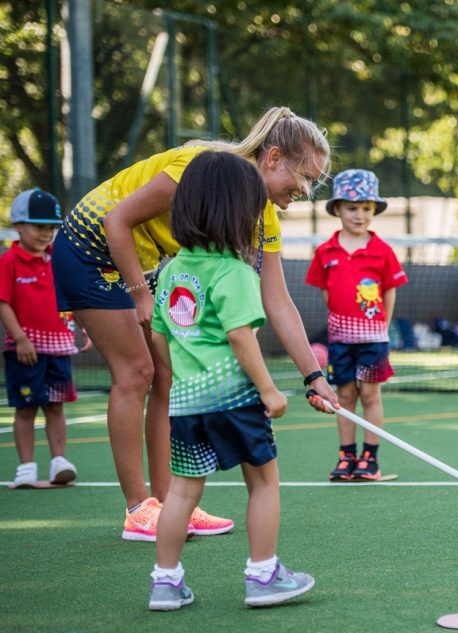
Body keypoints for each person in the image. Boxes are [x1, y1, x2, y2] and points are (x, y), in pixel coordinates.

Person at [51, 107, 339, 541]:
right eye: (304, 176)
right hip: (89, 247)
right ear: (274, 157)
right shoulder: (197, 168)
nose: (306, 189)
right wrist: (140, 294)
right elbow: (117, 220)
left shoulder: (263, 212)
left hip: (137, 261)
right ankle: (137, 508)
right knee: (137, 372)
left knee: (167, 376)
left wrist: (314, 376)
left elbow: (276, 299)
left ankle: (169, 505)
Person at [146, 151, 313, 610]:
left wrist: (185, 375)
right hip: (235, 399)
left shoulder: (172, 271)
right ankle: (263, 575)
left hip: (184, 402)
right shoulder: (236, 272)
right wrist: (267, 389)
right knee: (263, 483)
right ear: (239, 213)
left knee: (180, 491)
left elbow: (159, 341)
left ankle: (165, 580)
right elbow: (241, 335)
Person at [305, 169, 408, 482]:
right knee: (344, 397)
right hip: (340, 341)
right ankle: (346, 455)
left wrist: (382, 326)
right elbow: (327, 293)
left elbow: (390, 290)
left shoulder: (383, 251)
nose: (359, 215)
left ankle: (370, 459)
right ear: (337, 209)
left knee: (370, 397)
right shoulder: (325, 252)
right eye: (352, 208)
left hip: (374, 340)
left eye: (366, 208)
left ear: (374, 210)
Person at [0, 189, 85, 487]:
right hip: (25, 351)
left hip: (60, 347)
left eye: (51, 227)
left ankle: (59, 461)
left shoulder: (59, 260)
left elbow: (74, 298)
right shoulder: (9, 261)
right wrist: (20, 339)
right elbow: (3, 303)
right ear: (19, 225)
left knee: (56, 406)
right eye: (39, 226)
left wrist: (84, 328)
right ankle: (26, 468)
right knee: (26, 408)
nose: (47, 233)